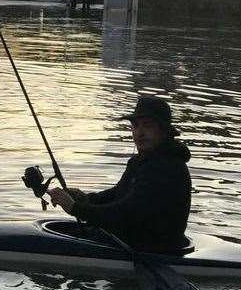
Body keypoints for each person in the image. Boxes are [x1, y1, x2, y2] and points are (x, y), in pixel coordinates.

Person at [47, 96, 192, 252]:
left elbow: (124, 213)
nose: (140, 133)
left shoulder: (167, 167)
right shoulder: (140, 161)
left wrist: (75, 208)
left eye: (147, 126)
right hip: (132, 239)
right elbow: (118, 194)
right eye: (135, 126)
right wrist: (85, 199)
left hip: (154, 249)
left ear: (164, 132)